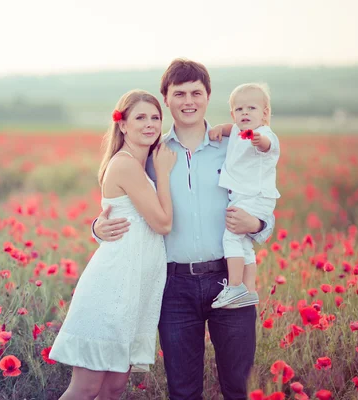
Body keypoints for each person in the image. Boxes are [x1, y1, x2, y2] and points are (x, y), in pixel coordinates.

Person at [93, 59, 274, 400]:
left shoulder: (235, 145)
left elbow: (264, 196)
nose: (188, 100)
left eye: (196, 92)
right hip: (173, 286)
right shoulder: (151, 152)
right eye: (179, 94)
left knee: (239, 386)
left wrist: (258, 224)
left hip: (229, 279)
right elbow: (118, 205)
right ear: (166, 99)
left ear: (208, 96)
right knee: (183, 390)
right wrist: (98, 227)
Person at [50, 89, 177, 400]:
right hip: (111, 286)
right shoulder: (126, 165)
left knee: (115, 387)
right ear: (123, 125)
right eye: (140, 117)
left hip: (132, 289)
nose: (150, 124)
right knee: (86, 387)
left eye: (155, 117)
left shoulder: (140, 162)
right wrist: (163, 173)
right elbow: (163, 224)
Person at [207, 83, 280, 309]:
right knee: (244, 244)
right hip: (247, 197)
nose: (245, 113)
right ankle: (248, 290)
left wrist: (260, 141)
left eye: (251, 108)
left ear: (265, 113)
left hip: (255, 197)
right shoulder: (238, 130)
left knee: (231, 238)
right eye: (239, 110)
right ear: (233, 114)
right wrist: (221, 127)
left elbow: (269, 146)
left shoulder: (264, 134)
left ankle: (235, 285)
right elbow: (233, 129)